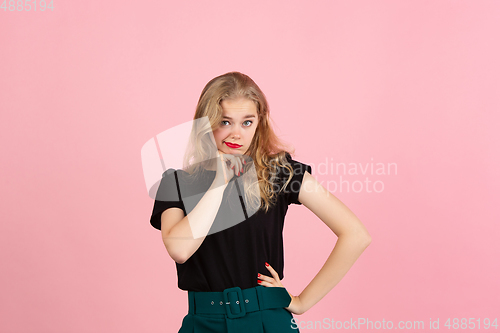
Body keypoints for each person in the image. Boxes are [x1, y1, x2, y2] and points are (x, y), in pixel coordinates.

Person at [149, 71, 372, 332]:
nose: (236, 134)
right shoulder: (176, 182)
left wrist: (300, 302)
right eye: (224, 121)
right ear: (206, 123)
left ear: (259, 123)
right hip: (203, 322)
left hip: (268, 320)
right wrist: (220, 181)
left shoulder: (280, 172)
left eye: (246, 122)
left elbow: (356, 235)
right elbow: (179, 250)